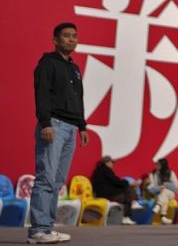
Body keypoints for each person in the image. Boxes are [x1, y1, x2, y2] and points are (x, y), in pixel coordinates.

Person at [28, 22, 90, 244]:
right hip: (52, 125)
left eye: (75, 36)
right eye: (66, 36)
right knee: (46, 177)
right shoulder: (47, 64)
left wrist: (82, 126)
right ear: (55, 40)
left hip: (70, 129)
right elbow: (42, 95)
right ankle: (38, 229)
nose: (72, 39)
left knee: (57, 181)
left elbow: (78, 99)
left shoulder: (74, 68)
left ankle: (47, 228)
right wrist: (45, 123)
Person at [91, 156, 141, 224]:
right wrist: (128, 183)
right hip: (107, 194)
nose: (113, 164)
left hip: (105, 193)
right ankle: (132, 205)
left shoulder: (100, 170)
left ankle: (128, 212)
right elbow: (116, 181)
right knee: (128, 192)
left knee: (127, 192)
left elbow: (114, 182)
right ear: (107, 163)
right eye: (112, 162)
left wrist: (126, 183)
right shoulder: (106, 170)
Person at [144, 158, 178, 224]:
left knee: (165, 191)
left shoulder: (171, 173)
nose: (156, 166)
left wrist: (166, 185)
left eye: (158, 164)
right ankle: (163, 216)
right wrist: (159, 188)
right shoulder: (152, 175)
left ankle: (158, 206)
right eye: (156, 164)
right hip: (158, 194)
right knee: (163, 194)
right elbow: (150, 189)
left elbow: (175, 187)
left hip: (170, 193)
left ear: (163, 165)